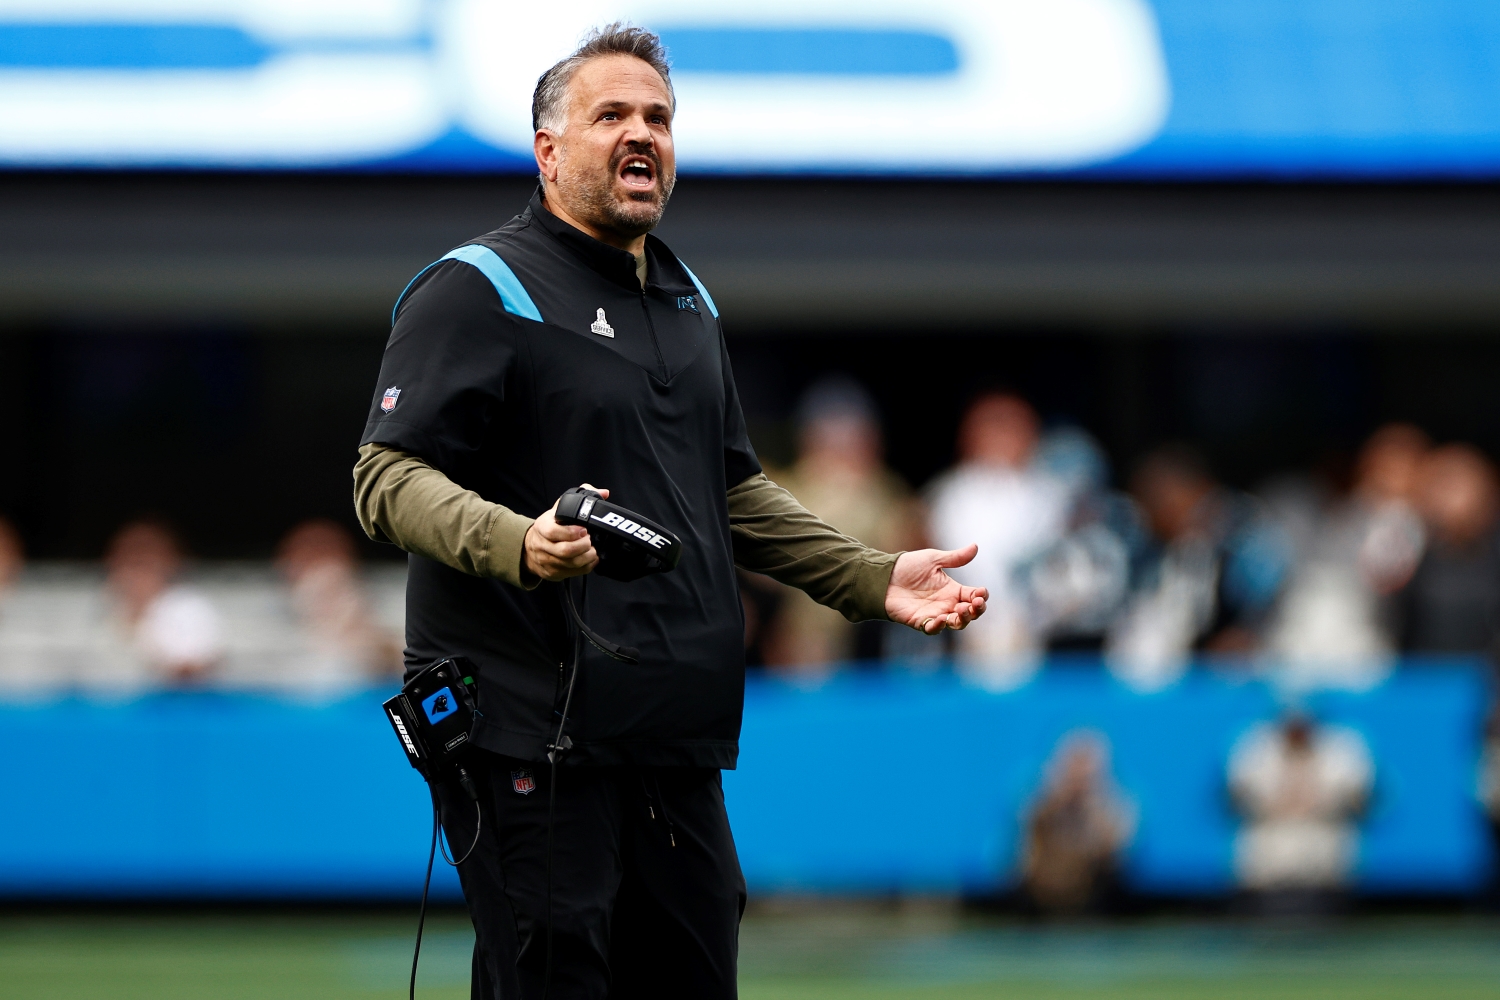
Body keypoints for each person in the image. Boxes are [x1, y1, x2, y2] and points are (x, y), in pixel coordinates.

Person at [351, 26, 987, 1000]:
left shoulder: (687, 299)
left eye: (658, 116)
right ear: (549, 150)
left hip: (669, 730)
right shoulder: (477, 288)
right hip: (529, 728)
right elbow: (385, 478)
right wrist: (517, 541)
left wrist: (866, 574)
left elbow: (731, 490)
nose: (641, 133)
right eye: (611, 114)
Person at [762, 377, 921, 672]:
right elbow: (758, 573)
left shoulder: (885, 492)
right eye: (830, 436)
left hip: (871, 656)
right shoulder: (783, 489)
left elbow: (908, 560)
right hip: (794, 655)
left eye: (851, 436)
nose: (841, 448)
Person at [1105, 445, 1291, 691]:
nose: (1160, 511)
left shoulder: (1244, 535)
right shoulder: (1148, 547)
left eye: (1166, 498)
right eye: (1150, 502)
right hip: (1175, 679)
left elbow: (1272, 599)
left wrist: (1247, 631)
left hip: (1248, 677)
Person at [1264, 424, 1429, 689]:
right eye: (1379, 465)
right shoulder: (1349, 513)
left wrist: (1393, 510)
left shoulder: (1414, 522)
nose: (1386, 476)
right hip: (1298, 655)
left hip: (1363, 660)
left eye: (1399, 467)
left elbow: (1387, 573)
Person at [926, 393, 1069, 688]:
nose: (1002, 437)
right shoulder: (948, 496)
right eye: (993, 426)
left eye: (1011, 427)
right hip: (964, 641)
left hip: (1039, 645)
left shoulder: (1053, 496)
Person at [1228, 712, 1373, 912]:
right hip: (1271, 826)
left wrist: (1323, 803)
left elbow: (1361, 799)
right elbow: (1234, 796)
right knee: (1256, 845)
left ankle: (1331, 911)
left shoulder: (1342, 746)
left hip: (1323, 827)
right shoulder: (1256, 745)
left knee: (1335, 843)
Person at [1397, 443, 1500, 662]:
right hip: (1423, 677)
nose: (1442, 497)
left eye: (1453, 486)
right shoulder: (1408, 544)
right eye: (1435, 485)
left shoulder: (1493, 552)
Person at [274, 519, 403, 687]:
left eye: (326, 554)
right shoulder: (258, 627)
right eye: (308, 556)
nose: (319, 567)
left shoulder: (395, 620)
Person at [1020, 730, 1135, 915]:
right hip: (1038, 904)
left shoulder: (1115, 804)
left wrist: (1092, 810)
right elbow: (1022, 848)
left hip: (1097, 904)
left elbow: (1119, 850)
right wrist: (1056, 803)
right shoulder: (1041, 800)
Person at [103, 520, 224, 686]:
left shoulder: (188, 607)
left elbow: (190, 671)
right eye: (129, 557)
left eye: (145, 559)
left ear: (170, 561)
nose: (136, 570)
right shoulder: (105, 608)